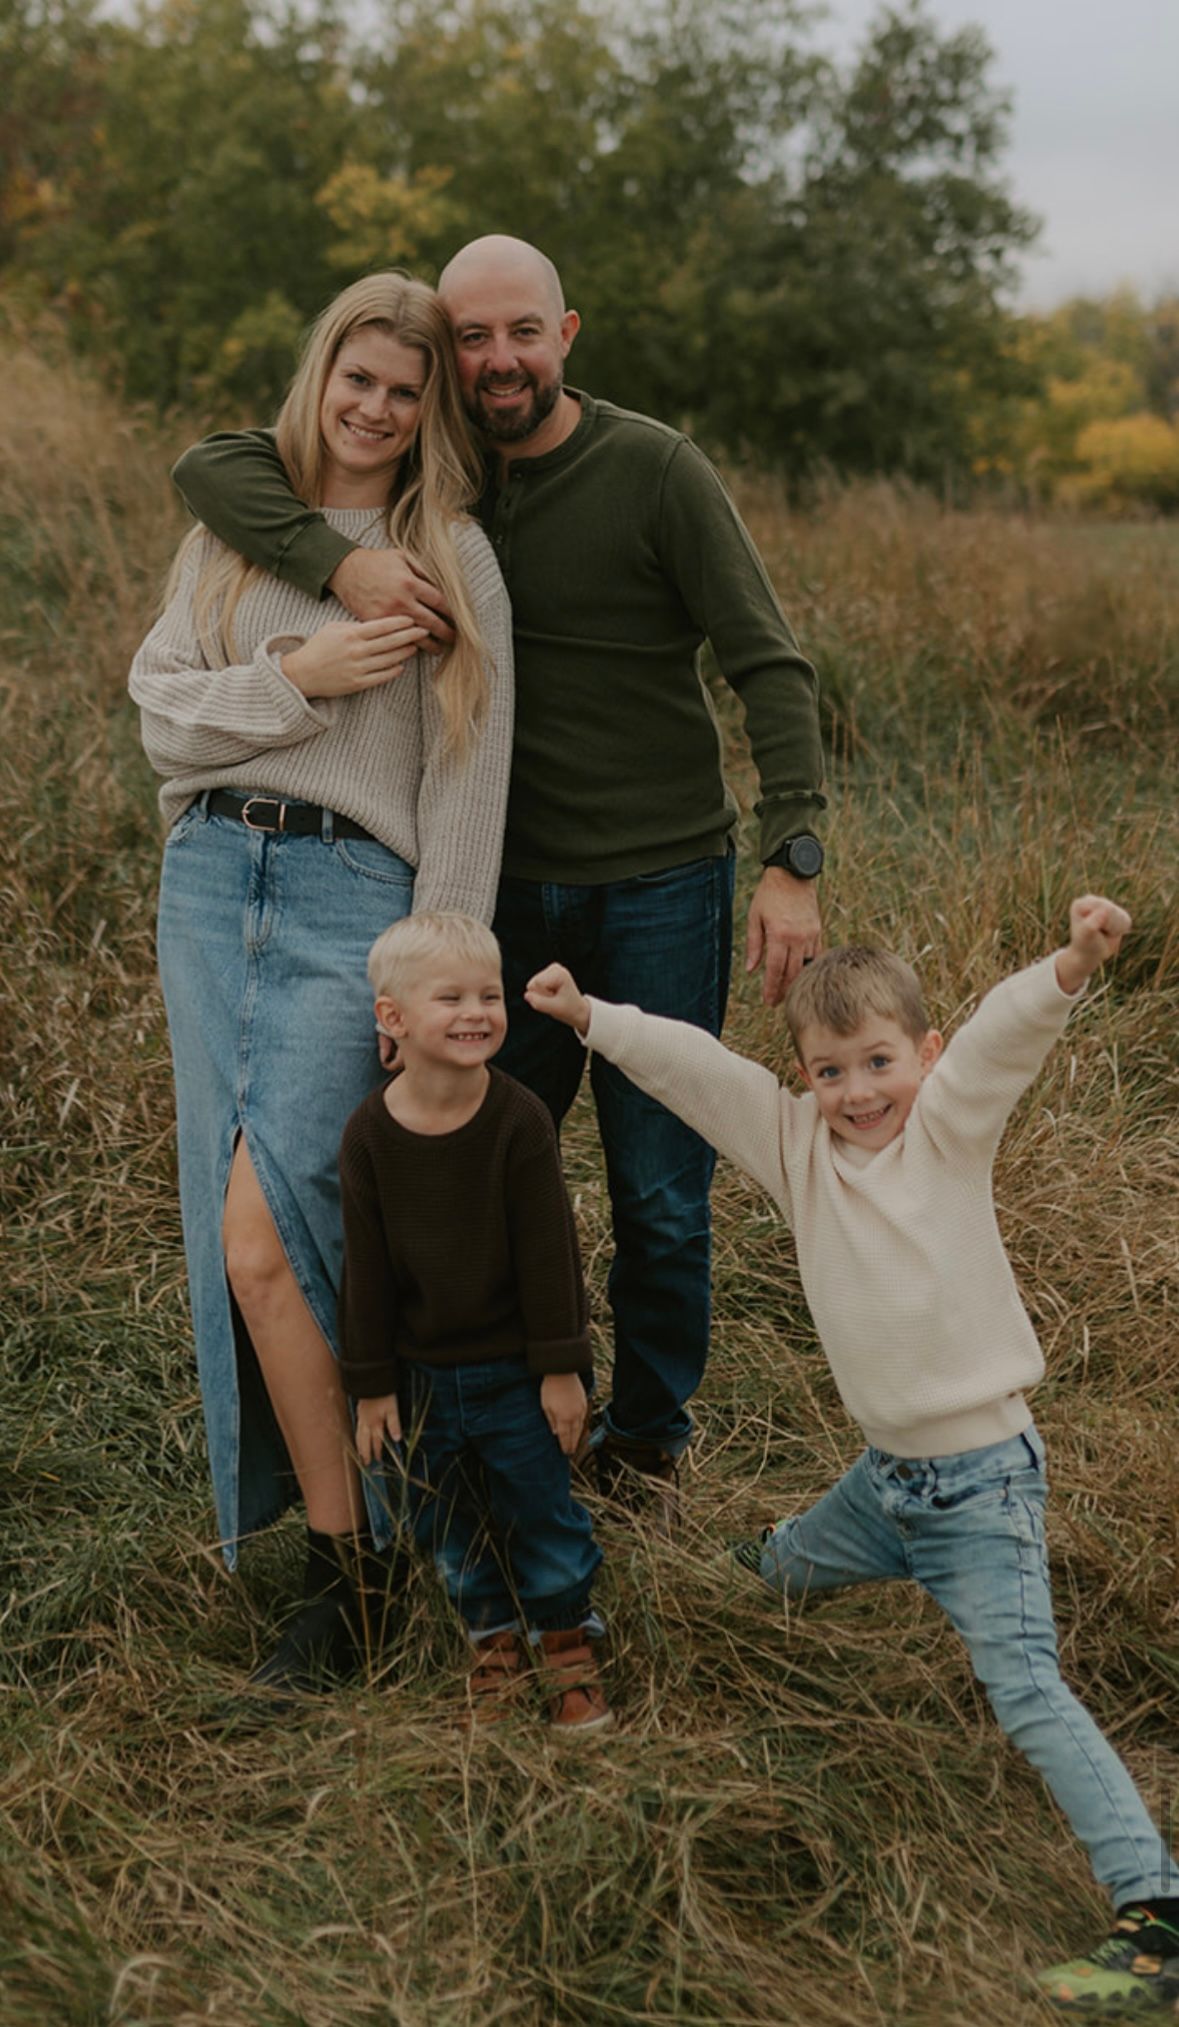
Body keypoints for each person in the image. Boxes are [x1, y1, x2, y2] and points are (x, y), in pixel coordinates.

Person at [168, 234, 827, 1508]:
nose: (499, 359)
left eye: (522, 331)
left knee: (657, 1187)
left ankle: (646, 1443)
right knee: (461, 1165)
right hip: (498, 892)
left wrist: (791, 856)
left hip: (659, 881)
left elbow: (769, 662)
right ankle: (468, 1428)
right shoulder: (439, 477)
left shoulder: (654, 470)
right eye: (471, 339)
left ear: (566, 333)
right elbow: (212, 466)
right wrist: (340, 563)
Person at [524, 898, 1179, 2011]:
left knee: (1025, 1685)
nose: (858, 1092)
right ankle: (761, 1561)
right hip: (884, 1486)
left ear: (922, 1054)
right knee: (775, 1570)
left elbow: (1002, 1037)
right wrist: (592, 1016)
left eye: (879, 1062)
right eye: (830, 1072)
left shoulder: (946, 1131)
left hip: (979, 1487)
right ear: (806, 1078)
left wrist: (1070, 961)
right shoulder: (798, 1150)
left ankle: (1154, 1913)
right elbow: (701, 1072)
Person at [129, 272, 514, 1691]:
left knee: (275, 1232)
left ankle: (358, 1562)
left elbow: (467, 772)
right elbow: (163, 719)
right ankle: (340, 1547)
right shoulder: (233, 533)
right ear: (322, 376)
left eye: (404, 392)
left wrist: (443, 975)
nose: (375, 408)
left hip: (355, 897)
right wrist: (304, 674)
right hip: (207, 879)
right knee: (224, 1220)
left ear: (429, 413)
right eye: (358, 379)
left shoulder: (450, 556)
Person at [337, 911, 610, 1732]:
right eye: (449, 997)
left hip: (516, 1373)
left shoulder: (518, 1120)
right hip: (420, 1376)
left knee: (542, 1509)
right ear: (392, 1017)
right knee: (443, 1520)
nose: (476, 1012)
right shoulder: (369, 1135)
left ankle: (565, 1639)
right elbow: (366, 1272)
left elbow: (550, 1255)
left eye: (488, 995)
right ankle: (491, 1640)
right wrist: (372, 1387)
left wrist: (560, 1370)